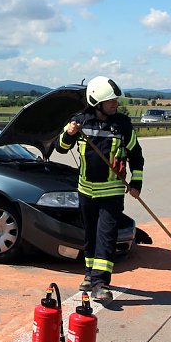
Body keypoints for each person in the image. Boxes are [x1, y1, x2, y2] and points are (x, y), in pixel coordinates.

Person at [55, 76, 144, 302]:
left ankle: (100, 283)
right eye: (111, 100)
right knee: (91, 236)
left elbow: (136, 155)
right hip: (86, 192)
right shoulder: (79, 121)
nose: (115, 103)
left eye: (115, 100)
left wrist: (136, 183)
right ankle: (89, 274)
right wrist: (70, 134)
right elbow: (61, 148)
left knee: (106, 235)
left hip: (112, 193)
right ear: (97, 102)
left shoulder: (122, 125)